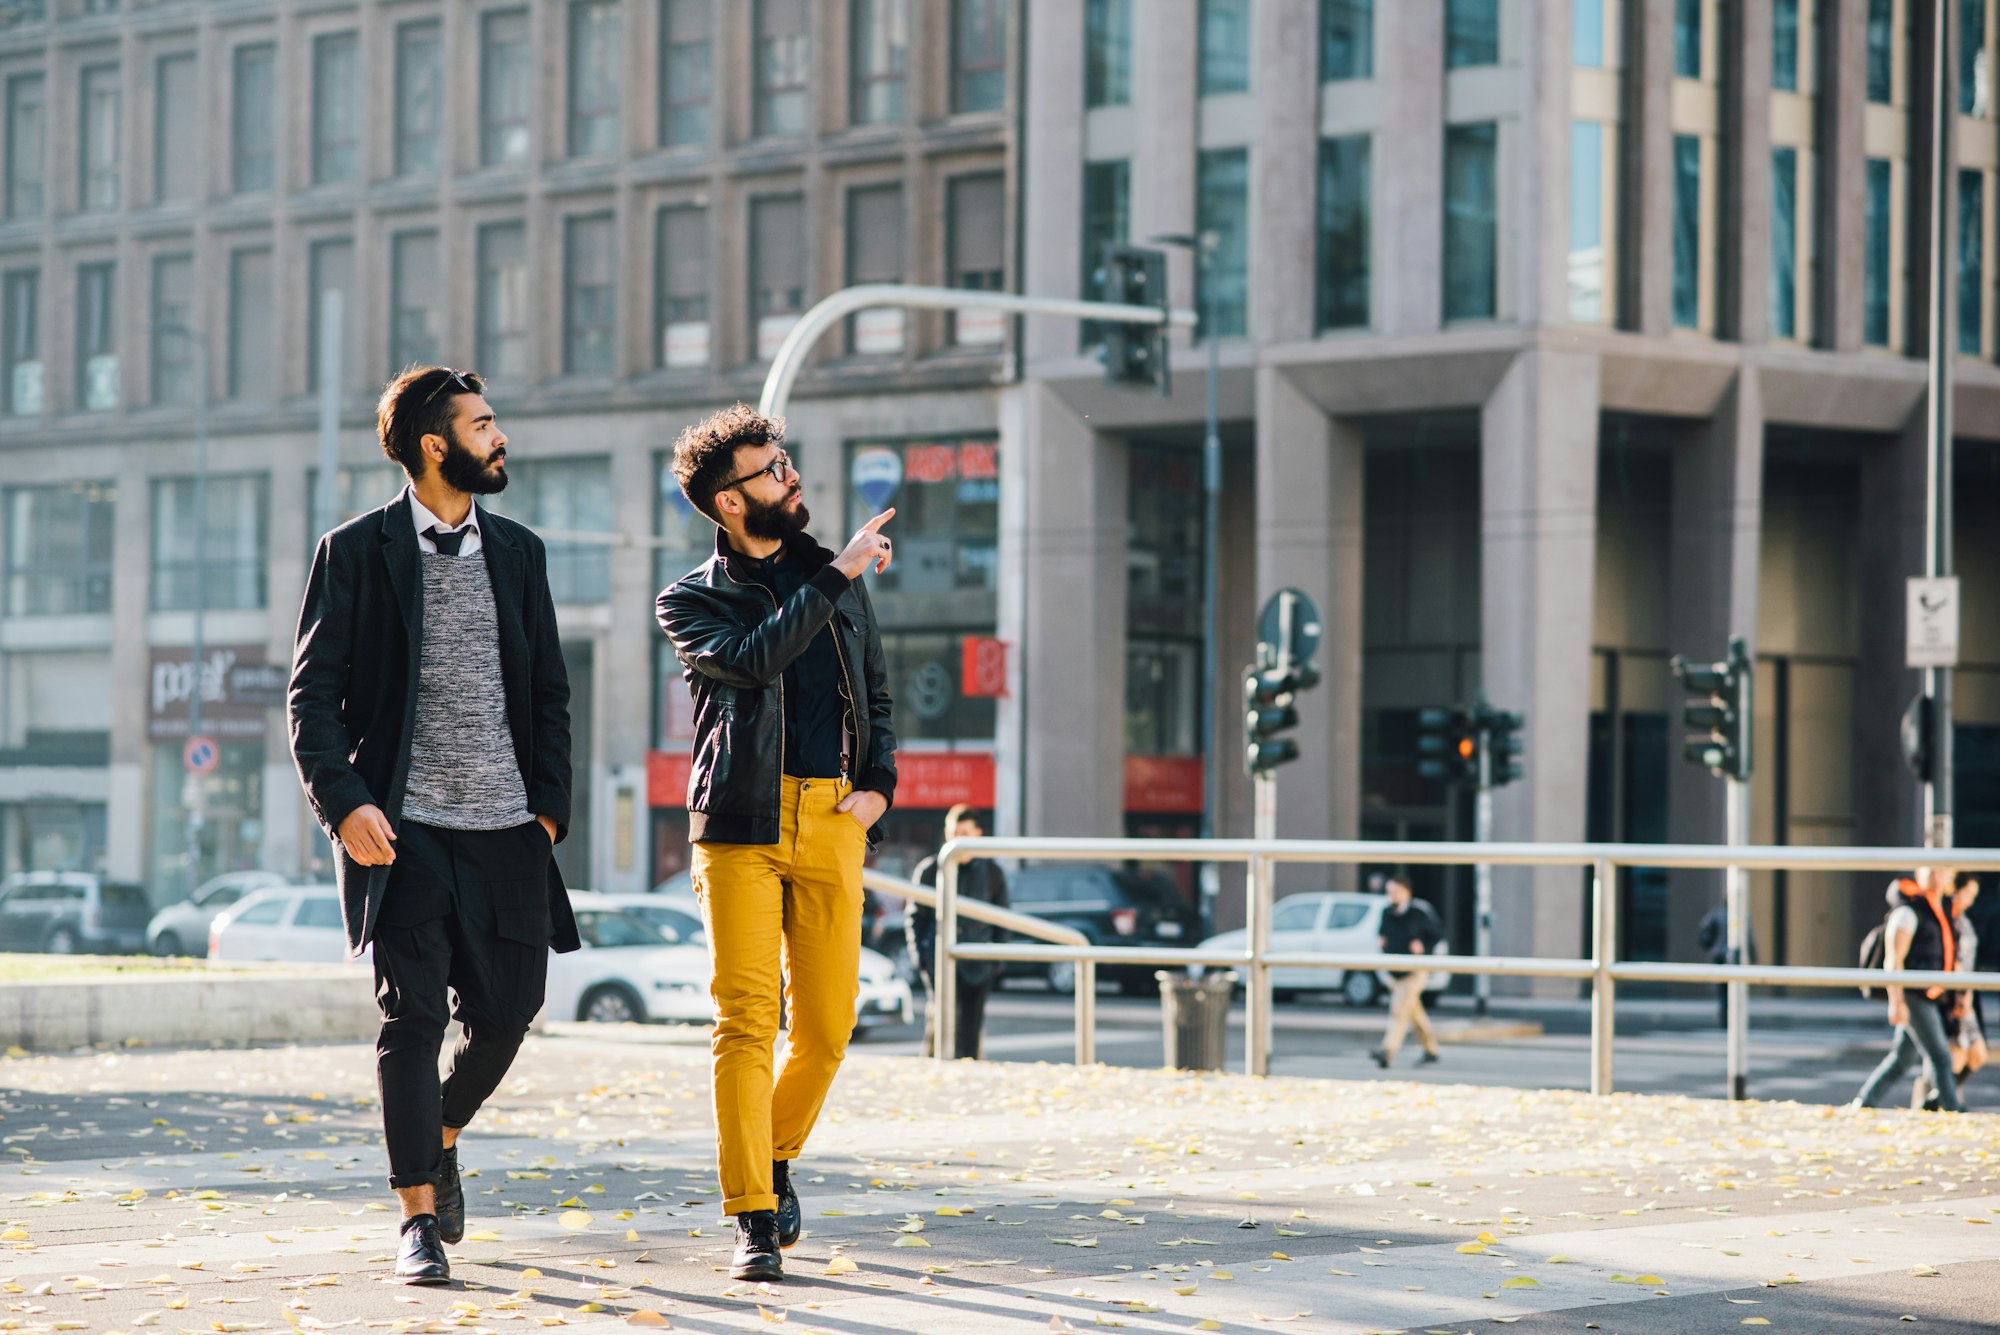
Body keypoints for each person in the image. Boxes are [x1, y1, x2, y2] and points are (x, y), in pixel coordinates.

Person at [288, 366, 579, 1285]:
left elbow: (549, 693)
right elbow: (312, 699)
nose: (501, 438)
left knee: (510, 1012)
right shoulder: (354, 549)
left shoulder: (521, 551)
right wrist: (344, 803)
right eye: (485, 424)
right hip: (403, 831)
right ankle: (416, 1214)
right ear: (433, 443)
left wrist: (550, 812)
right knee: (410, 1019)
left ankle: (441, 1130)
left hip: (505, 831)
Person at [655, 404, 898, 1283]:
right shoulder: (688, 599)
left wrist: (879, 789)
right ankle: (752, 1212)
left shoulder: (836, 578)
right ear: (729, 501)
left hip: (834, 818)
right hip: (739, 826)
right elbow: (754, 659)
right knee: (746, 1020)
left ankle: (773, 1153)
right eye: (772, 470)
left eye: (787, 461)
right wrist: (834, 574)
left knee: (830, 1027)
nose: (792, 477)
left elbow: (876, 691)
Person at [1852, 865, 1965, 1113]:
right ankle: (1954, 1111)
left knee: (1902, 1059)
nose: (1937, 877)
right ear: (1918, 875)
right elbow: (1893, 960)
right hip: (1914, 995)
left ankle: (1863, 1104)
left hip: (1930, 994)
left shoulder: (1941, 910)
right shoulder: (1907, 912)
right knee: (1940, 1056)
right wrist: (1897, 1001)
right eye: (1930, 871)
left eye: (1942, 871)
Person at [908, 805, 1010, 1059]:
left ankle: (970, 1074)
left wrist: (995, 962)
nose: (958, 839)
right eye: (954, 832)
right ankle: (933, 1073)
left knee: (971, 1032)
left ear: (977, 834)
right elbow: (915, 917)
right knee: (938, 1026)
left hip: (978, 964)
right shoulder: (930, 870)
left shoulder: (992, 872)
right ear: (946, 833)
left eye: (965, 832)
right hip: (939, 960)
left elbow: (1003, 919)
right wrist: (922, 957)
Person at [1915, 877, 1986, 1111]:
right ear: (1956, 890)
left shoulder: (1960, 920)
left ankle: (1937, 1099)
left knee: (1975, 1055)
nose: (1971, 900)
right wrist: (1957, 995)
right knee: (1948, 1057)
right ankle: (1948, 1102)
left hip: (1965, 994)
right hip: (1953, 996)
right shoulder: (1946, 919)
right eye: (1969, 893)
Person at [1368, 872, 1442, 1069]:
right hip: (1395, 970)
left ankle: (1387, 1050)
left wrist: (1422, 948)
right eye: (1389, 892)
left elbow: (1436, 935)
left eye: (1395, 891)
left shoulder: (1419, 912)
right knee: (1414, 1013)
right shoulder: (1386, 912)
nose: (1392, 895)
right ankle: (1431, 1050)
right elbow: (1382, 933)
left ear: (1406, 892)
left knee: (1398, 1011)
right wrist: (1382, 942)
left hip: (1415, 970)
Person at [1697, 903, 1756, 1028]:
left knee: (1722, 989)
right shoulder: (1742, 915)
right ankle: (1731, 1016)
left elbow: (1704, 925)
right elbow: (1750, 936)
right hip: (1734, 956)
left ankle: (1724, 1015)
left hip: (1718, 954)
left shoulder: (1717, 912)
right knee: (1733, 989)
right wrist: (1753, 954)